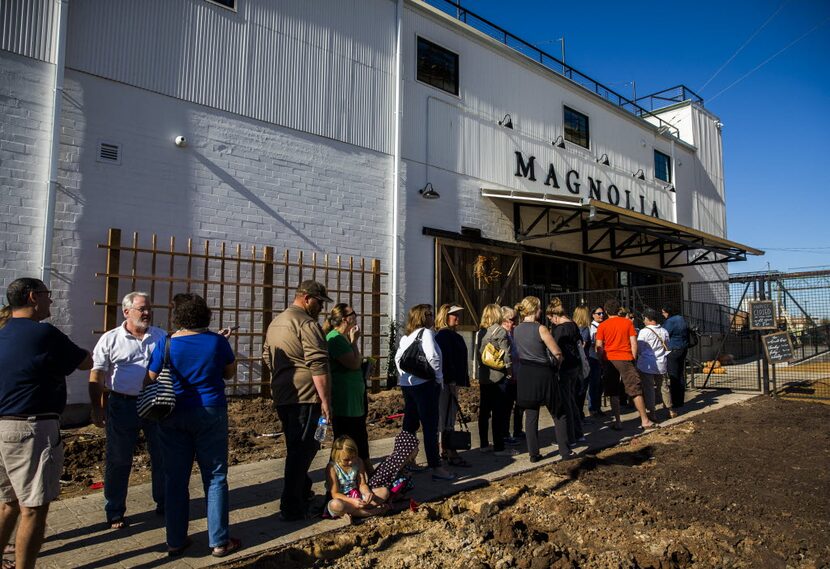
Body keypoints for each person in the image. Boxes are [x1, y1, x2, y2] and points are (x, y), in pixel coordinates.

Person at [0, 278, 92, 569]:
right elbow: (83, 362)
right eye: (47, 295)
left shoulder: (2, 333)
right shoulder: (43, 334)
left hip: (2, 426)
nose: (51, 301)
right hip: (31, 429)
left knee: (7, 504)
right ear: (32, 297)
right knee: (33, 507)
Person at [146, 293, 240, 558]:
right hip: (210, 410)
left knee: (175, 478)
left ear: (179, 317)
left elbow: (151, 377)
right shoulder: (217, 342)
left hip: (173, 413)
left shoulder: (166, 343)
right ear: (204, 315)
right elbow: (229, 373)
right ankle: (219, 541)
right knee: (215, 477)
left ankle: (175, 540)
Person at [89, 291, 166, 529]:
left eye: (148, 308)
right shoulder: (111, 339)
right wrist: (96, 408)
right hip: (122, 405)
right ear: (126, 312)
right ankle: (114, 511)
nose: (147, 312)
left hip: (155, 404)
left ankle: (164, 503)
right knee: (119, 458)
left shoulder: (161, 336)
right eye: (141, 308)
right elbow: (97, 374)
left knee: (162, 456)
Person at [263, 280, 334, 521]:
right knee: (304, 448)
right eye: (319, 302)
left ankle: (303, 491)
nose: (321, 308)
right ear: (306, 298)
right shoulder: (306, 323)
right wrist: (325, 400)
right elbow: (318, 363)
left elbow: (266, 355)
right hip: (306, 395)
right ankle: (292, 506)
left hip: (284, 394)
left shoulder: (276, 322)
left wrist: (282, 374)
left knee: (297, 444)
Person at [394, 304, 456, 481]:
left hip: (408, 386)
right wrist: (438, 378)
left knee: (410, 424)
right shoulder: (427, 333)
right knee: (430, 426)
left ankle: (407, 460)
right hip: (425, 385)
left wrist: (405, 377)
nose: (432, 317)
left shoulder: (407, 337)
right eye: (429, 314)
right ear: (422, 317)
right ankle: (436, 466)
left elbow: (398, 359)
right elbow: (433, 357)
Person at [512, 296, 570, 463]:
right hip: (543, 372)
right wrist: (557, 365)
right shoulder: (541, 328)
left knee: (531, 414)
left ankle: (533, 453)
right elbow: (557, 352)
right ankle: (564, 451)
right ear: (535, 309)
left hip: (525, 372)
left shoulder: (516, 329)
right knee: (558, 412)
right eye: (539, 308)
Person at [595, 298, 658, 431]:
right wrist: (632, 358)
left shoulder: (602, 326)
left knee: (613, 392)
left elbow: (599, 346)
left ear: (606, 311)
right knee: (635, 389)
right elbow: (633, 342)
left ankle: (618, 422)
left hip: (609, 359)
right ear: (619, 310)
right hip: (625, 358)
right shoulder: (627, 323)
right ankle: (644, 420)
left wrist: (601, 360)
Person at [323, 303, 370, 470]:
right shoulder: (335, 339)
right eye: (353, 313)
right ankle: (340, 475)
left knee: (359, 434)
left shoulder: (344, 339)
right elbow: (354, 363)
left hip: (354, 397)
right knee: (346, 438)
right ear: (345, 319)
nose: (356, 317)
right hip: (345, 399)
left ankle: (361, 470)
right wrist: (354, 341)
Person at [476, 304, 516, 457]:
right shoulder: (500, 331)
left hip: (485, 376)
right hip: (498, 376)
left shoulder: (481, 332)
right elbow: (506, 355)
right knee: (498, 412)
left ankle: (484, 444)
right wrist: (510, 372)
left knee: (484, 411)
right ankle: (499, 446)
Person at [434, 305, 471, 467]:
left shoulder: (451, 335)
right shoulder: (443, 336)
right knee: (447, 416)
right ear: (445, 316)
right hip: (447, 383)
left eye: (457, 314)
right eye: (453, 315)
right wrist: (450, 380)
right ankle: (450, 450)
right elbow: (445, 360)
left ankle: (445, 448)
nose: (457, 317)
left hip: (452, 382)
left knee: (448, 415)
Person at [547, 299, 584, 444]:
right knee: (572, 399)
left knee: (566, 402)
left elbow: (554, 349)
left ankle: (570, 436)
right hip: (575, 365)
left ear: (555, 316)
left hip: (564, 367)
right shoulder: (573, 325)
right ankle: (578, 432)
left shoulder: (560, 329)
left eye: (551, 319)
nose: (552, 322)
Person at [324, 436, 388, 521]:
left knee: (384, 492)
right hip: (343, 499)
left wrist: (367, 493)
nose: (350, 462)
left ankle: (353, 513)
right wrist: (352, 501)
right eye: (346, 460)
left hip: (357, 496)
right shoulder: (332, 467)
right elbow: (335, 493)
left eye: (353, 457)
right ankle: (372, 512)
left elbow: (362, 484)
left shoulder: (358, 462)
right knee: (336, 505)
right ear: (336, 456)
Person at [636, 308, 671, 421]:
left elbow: (640, 349)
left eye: (644, 318)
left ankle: (652, 412)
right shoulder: (664, 331)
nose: (643, 321)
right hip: (661, 363)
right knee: (663, 387)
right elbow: (667, 345)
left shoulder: (644, 332)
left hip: (647, 365)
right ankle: (670, 409)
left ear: (648, 318)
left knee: (649, 388)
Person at [368, 431, 419, 501]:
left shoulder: (402, 461)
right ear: (408, 450)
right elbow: (378, 480)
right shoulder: (393, 463)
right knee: (402, 479)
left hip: (388, 485)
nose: (418, 450)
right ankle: (390, 499)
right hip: (378, 488)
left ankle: (394, 495)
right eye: (416, 448)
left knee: (406, 478)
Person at [661, 304, 689, 414]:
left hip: (673, 349)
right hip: (683, 348)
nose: (663, 314)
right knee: (680, 373)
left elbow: (665, 334)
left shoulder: (670, 321)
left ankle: (675, 400)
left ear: (668, 312)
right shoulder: (681, 318)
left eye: (663, 312)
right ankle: (680, 399)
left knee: (673, 375)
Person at [572, 305, 593, 420]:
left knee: (576, 390)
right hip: (584, 361)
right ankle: (579, 414)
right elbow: (583, 344)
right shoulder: (584, 328)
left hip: (575, 362)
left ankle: (577, 414)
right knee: (582, 389)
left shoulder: (572, 326)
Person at [586, 306, 606, 417]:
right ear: (593, 315)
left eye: (602, 313)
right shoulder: (592, 327)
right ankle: (592, 408)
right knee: (594, 384)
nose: (601, 315)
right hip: (594, 358)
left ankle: (597, 407)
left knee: (600, 384)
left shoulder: (603, 326)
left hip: (602, 358)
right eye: (599, 313)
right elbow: (592, 343)